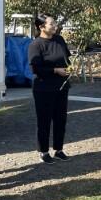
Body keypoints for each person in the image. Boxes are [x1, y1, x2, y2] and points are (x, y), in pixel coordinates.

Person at [28, 14, 71, 164]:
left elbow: (66, 58)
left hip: (61, 86)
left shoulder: (59, 40)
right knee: (44, 121)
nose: (55, 26)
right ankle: (43, 151)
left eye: (55, 24)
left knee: (60, 119)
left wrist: (69, 68)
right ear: (41, 27)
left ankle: (58, 150)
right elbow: (35, 68)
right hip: (43, 88)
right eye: (51, 24)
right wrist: (54, 70)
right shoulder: (36, 45)